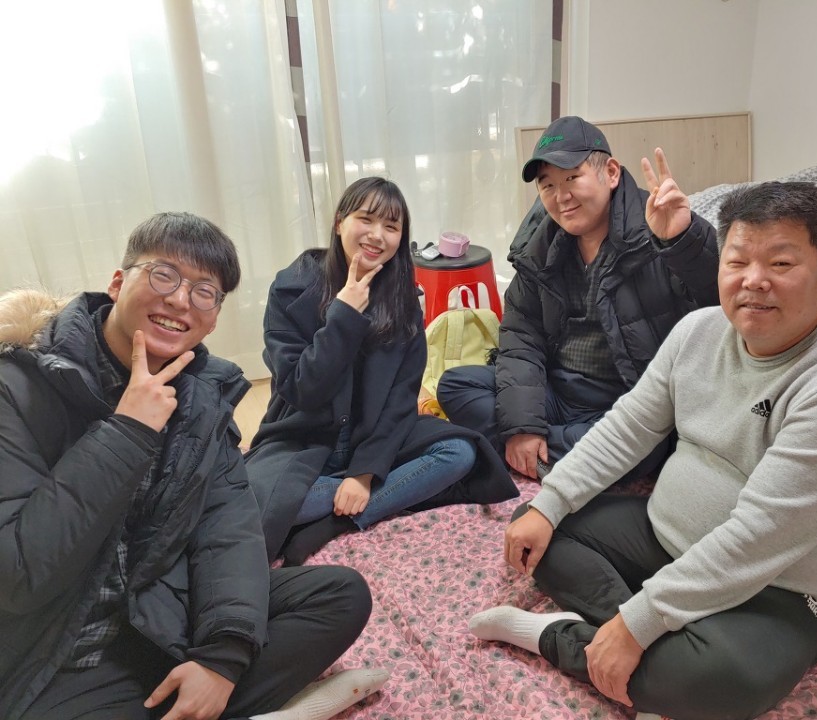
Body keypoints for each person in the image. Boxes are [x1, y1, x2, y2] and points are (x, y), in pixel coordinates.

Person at [468, 182, 817, 720]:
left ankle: (558, 636)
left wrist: (638, 624)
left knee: (722, 682)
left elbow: (761, 535)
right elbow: (627, 427)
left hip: (782, 587)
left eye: (781, 263)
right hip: (666, 536)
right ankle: (638, 645)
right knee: (540, 533)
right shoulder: (698, 331)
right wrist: (550, 502)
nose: (754, 281)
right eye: (737, 261)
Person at [0, 212, 386, 720]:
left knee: (340, 595)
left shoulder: (203, 393)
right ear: (116, 283)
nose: (181, 300)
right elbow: (18, 574)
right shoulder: (20, 386)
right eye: (163, 275)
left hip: (159, 607)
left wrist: (222, 657)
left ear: (215, 316)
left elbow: (226, 526)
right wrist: (126, 430)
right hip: (62, 646)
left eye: (205, 291)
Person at [244, 177, 516, 565]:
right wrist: (343, 314)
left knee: (459, 452)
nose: (377, 235)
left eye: (391, 226)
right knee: (250, 505)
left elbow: (401, 399)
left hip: (372, 433)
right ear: (339, 221)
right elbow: (301, 389)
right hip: (305, 435)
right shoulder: (293, 288)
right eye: (366, 219)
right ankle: (354, 499)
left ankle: (337, 520)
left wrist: (364, 475)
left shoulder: (401, 298)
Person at [437, 115, 720, 481]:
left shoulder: (662, 230)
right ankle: (562, 457)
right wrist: (523, 426)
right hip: (558, 393)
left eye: (572, 178)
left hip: (626, 404)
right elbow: (521, 338)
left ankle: (539, 455)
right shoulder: (539, 251)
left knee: (646, 446)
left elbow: (720, 306)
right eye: (548, 185)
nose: (561, 197)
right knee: (456, 385)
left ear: (611, 173)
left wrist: (683, 240)